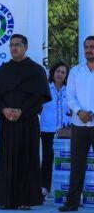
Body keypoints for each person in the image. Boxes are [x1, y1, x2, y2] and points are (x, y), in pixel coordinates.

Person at [0, 34, 50, 210]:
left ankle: (26, 200)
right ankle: (6, 199)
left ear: (26, 47)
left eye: (18, 45)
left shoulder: (37, 70)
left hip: (27, 122)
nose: (14, 48)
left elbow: (39, 97)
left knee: (28, 159)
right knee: (6, 160)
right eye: (12, 45)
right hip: (6, 122)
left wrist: (22, 111)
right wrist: (4, 110)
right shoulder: (3, 70)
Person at [59, 37, 94, 212]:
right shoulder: (75, 71)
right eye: (86, 47)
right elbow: (69, 96)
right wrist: (80, 111)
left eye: (92, 47)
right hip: (79, 123)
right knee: (77, 164)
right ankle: (72, 202)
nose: (89, 50)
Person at [40, 61, 70, 196]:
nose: (60, 74)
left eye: (63, 72)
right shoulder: (45, 88)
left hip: (65, 131)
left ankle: (66, 190)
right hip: (48, 129)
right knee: (47, 159)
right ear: (53, 73)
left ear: (66, 75)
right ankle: (44, 189)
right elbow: (39, 107)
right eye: (58, 71)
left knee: (66, 160)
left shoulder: (69, 89)